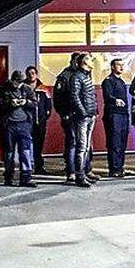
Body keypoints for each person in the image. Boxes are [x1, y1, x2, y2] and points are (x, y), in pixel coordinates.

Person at [0, 70, 38, 187]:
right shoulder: (3, 89)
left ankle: (26, 178)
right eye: (16, 82)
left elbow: (34, 104)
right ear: (12, 80)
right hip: (8, 125)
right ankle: (8, 177)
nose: (18, 85)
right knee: (8, 152)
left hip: (24, 124)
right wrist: (9, 103)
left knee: (25, 151)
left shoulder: (27, 89)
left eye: (20, 82)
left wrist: (26, 102)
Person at [69, 53, 98, 187]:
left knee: (86, 147)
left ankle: (84, 173)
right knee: (81, 147)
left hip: (90, 115)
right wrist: (84, 112)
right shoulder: (76, 77)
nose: (93, 61)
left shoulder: (86, 76)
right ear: (85, 62)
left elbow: (90, 96)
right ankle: (79, 176)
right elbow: (74, 97)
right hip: (83, 117)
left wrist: (93, 112)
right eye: (91, 60)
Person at [53, 52, 81, 184]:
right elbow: (58, 98)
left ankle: (84, 170)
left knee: (83, 144)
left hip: (83, 116)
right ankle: (71, 172)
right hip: (69, 115)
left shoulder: (84, 75)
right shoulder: (64, 76)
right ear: (73, 61)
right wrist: (64, 113)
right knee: (72, 142)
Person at [101, 59, 130, 178]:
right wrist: (115, 100)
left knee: (122, 142)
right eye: (119, 65)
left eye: (122, 65)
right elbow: (108, 95)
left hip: (123, 114)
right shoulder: (108, 81)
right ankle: (114, 169)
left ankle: (120, 167)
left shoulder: (121, 81)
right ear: (112, 67)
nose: (121, 67)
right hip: (113, 115)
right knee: (114, 142)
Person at [24, 66, 54, 175]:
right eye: (29, 73)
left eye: (33, 73)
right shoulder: (23, 87)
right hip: (26, 122)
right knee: (25, 145)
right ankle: (26, 168)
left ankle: (39, 167)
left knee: (38, 145)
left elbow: (48, 104)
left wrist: (45, 116)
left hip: (40, 122)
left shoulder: (44, 88)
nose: (31, 75)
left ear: (36, 75)